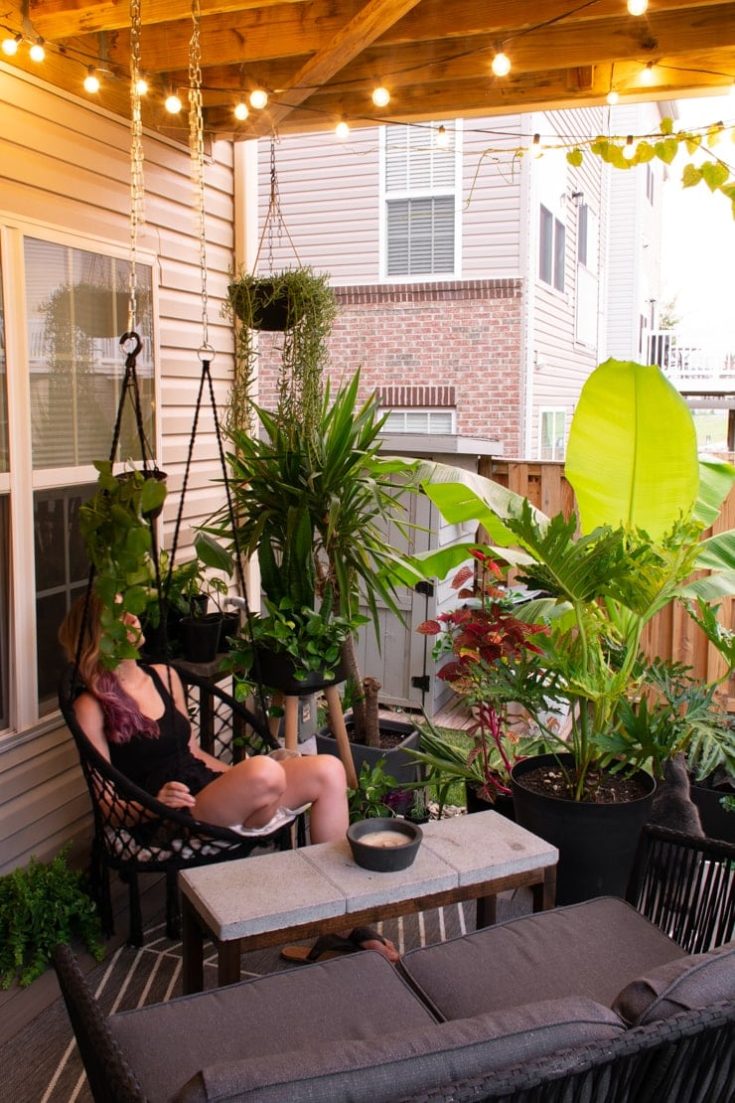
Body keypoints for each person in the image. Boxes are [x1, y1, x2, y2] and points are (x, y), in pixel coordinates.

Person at [59, 592, 398, 962]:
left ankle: (340, 925)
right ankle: (264, 790)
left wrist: (236, 779)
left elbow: (192, 752)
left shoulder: (164, 677)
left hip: (211, 793)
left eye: (129, 609)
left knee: (328, 770)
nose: (131, 618)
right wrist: (154, 805)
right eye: (117, 615)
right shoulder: (91, 706)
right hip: (173, 815)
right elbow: (106, 805)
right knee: (266, 771)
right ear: (97, 635)